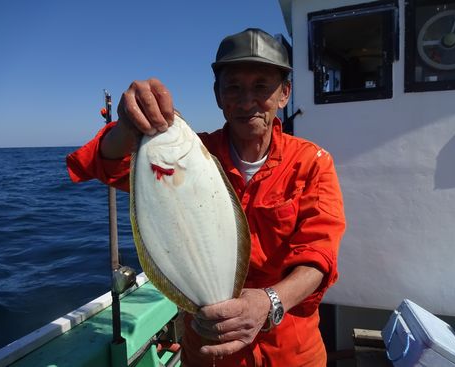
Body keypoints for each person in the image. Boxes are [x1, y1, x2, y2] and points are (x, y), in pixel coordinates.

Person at [67, 28, 346, 367]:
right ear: (217, 95)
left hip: (292, 353)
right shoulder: (191, 154)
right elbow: (102, 165)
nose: (246, 102)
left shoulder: (312, 162)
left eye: (261, 86)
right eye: (233, 87)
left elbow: (319, 256)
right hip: (210, 352)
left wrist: (268, 302)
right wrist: (128, 127)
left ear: (284, 94)